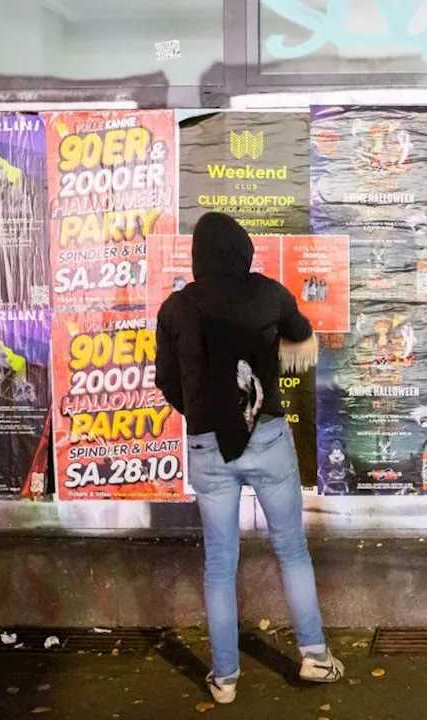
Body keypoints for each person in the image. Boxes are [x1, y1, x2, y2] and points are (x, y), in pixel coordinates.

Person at [156, 211, 344, 705]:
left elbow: (168, 382)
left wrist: (201, 411)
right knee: (291, 548)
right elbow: (302, 335)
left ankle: (225, 680)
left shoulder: (176, 307)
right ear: (242, 251)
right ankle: (315, 657)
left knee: (220, 563)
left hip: (206, 446)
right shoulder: (267, 293)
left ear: (198, 256)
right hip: (266, 437)